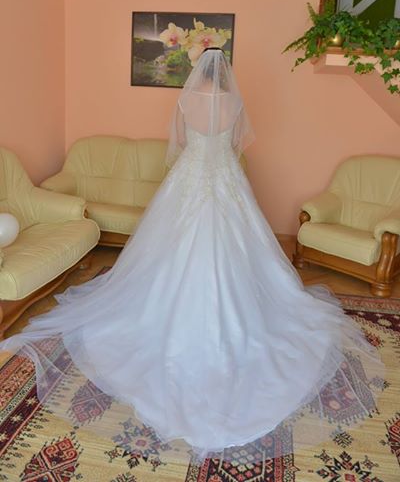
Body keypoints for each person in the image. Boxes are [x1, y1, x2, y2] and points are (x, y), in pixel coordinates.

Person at [0, 48, 384, 463]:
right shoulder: (234, 102)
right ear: (225, 72)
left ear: (198, 69)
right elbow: (236, 142)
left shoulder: (187, 101)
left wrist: (199, 150)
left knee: (171, 246)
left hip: (190, 176)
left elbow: (181, 142)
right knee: (238, 246)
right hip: (225, 177)